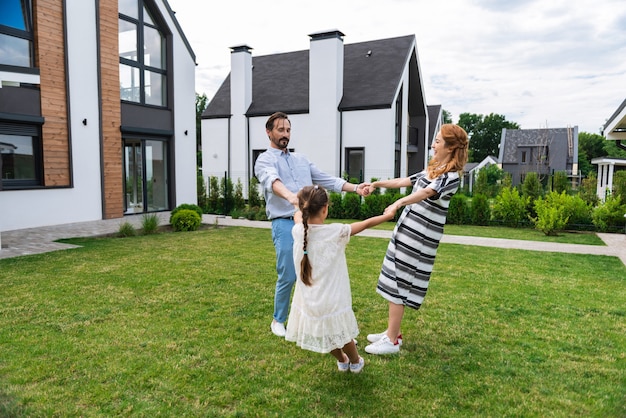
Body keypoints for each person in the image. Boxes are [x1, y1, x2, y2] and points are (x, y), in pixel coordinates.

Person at [254, 112, 370, 337]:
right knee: (289, 274)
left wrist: (356, 188)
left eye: (288, 130)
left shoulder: (301, 160)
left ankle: (313, 318)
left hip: (311, 224)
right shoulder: (265, 160)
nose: (285, 134)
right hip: (285, 223)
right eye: (280, 130)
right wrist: (291, 198)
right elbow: (271, 180)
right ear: (269, 132)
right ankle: (278, 320)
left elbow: (326, 180)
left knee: (314, 273)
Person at [363, 123, 469, 355]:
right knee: (394, 277)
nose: (433, 144)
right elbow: (406, 182)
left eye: (438, 141)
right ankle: (393, 333)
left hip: (419, 238)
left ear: (451, 148)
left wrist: (399, 202)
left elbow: (425, 193)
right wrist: (377, 183)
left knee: (399, 282)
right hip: (408, 230)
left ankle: (391, 341)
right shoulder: (434, 170)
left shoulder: (449, 177)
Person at [285, 185, 394, 372]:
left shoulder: (298, 232)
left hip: (310, 301)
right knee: (342, 335)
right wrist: (388, 215)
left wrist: (298, 206)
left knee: (328, 335)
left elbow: (297, 216)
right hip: (332, 299)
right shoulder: (336, 231)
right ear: (325, 209)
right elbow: (366, 224)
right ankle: (355, 360)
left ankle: (342, 359)